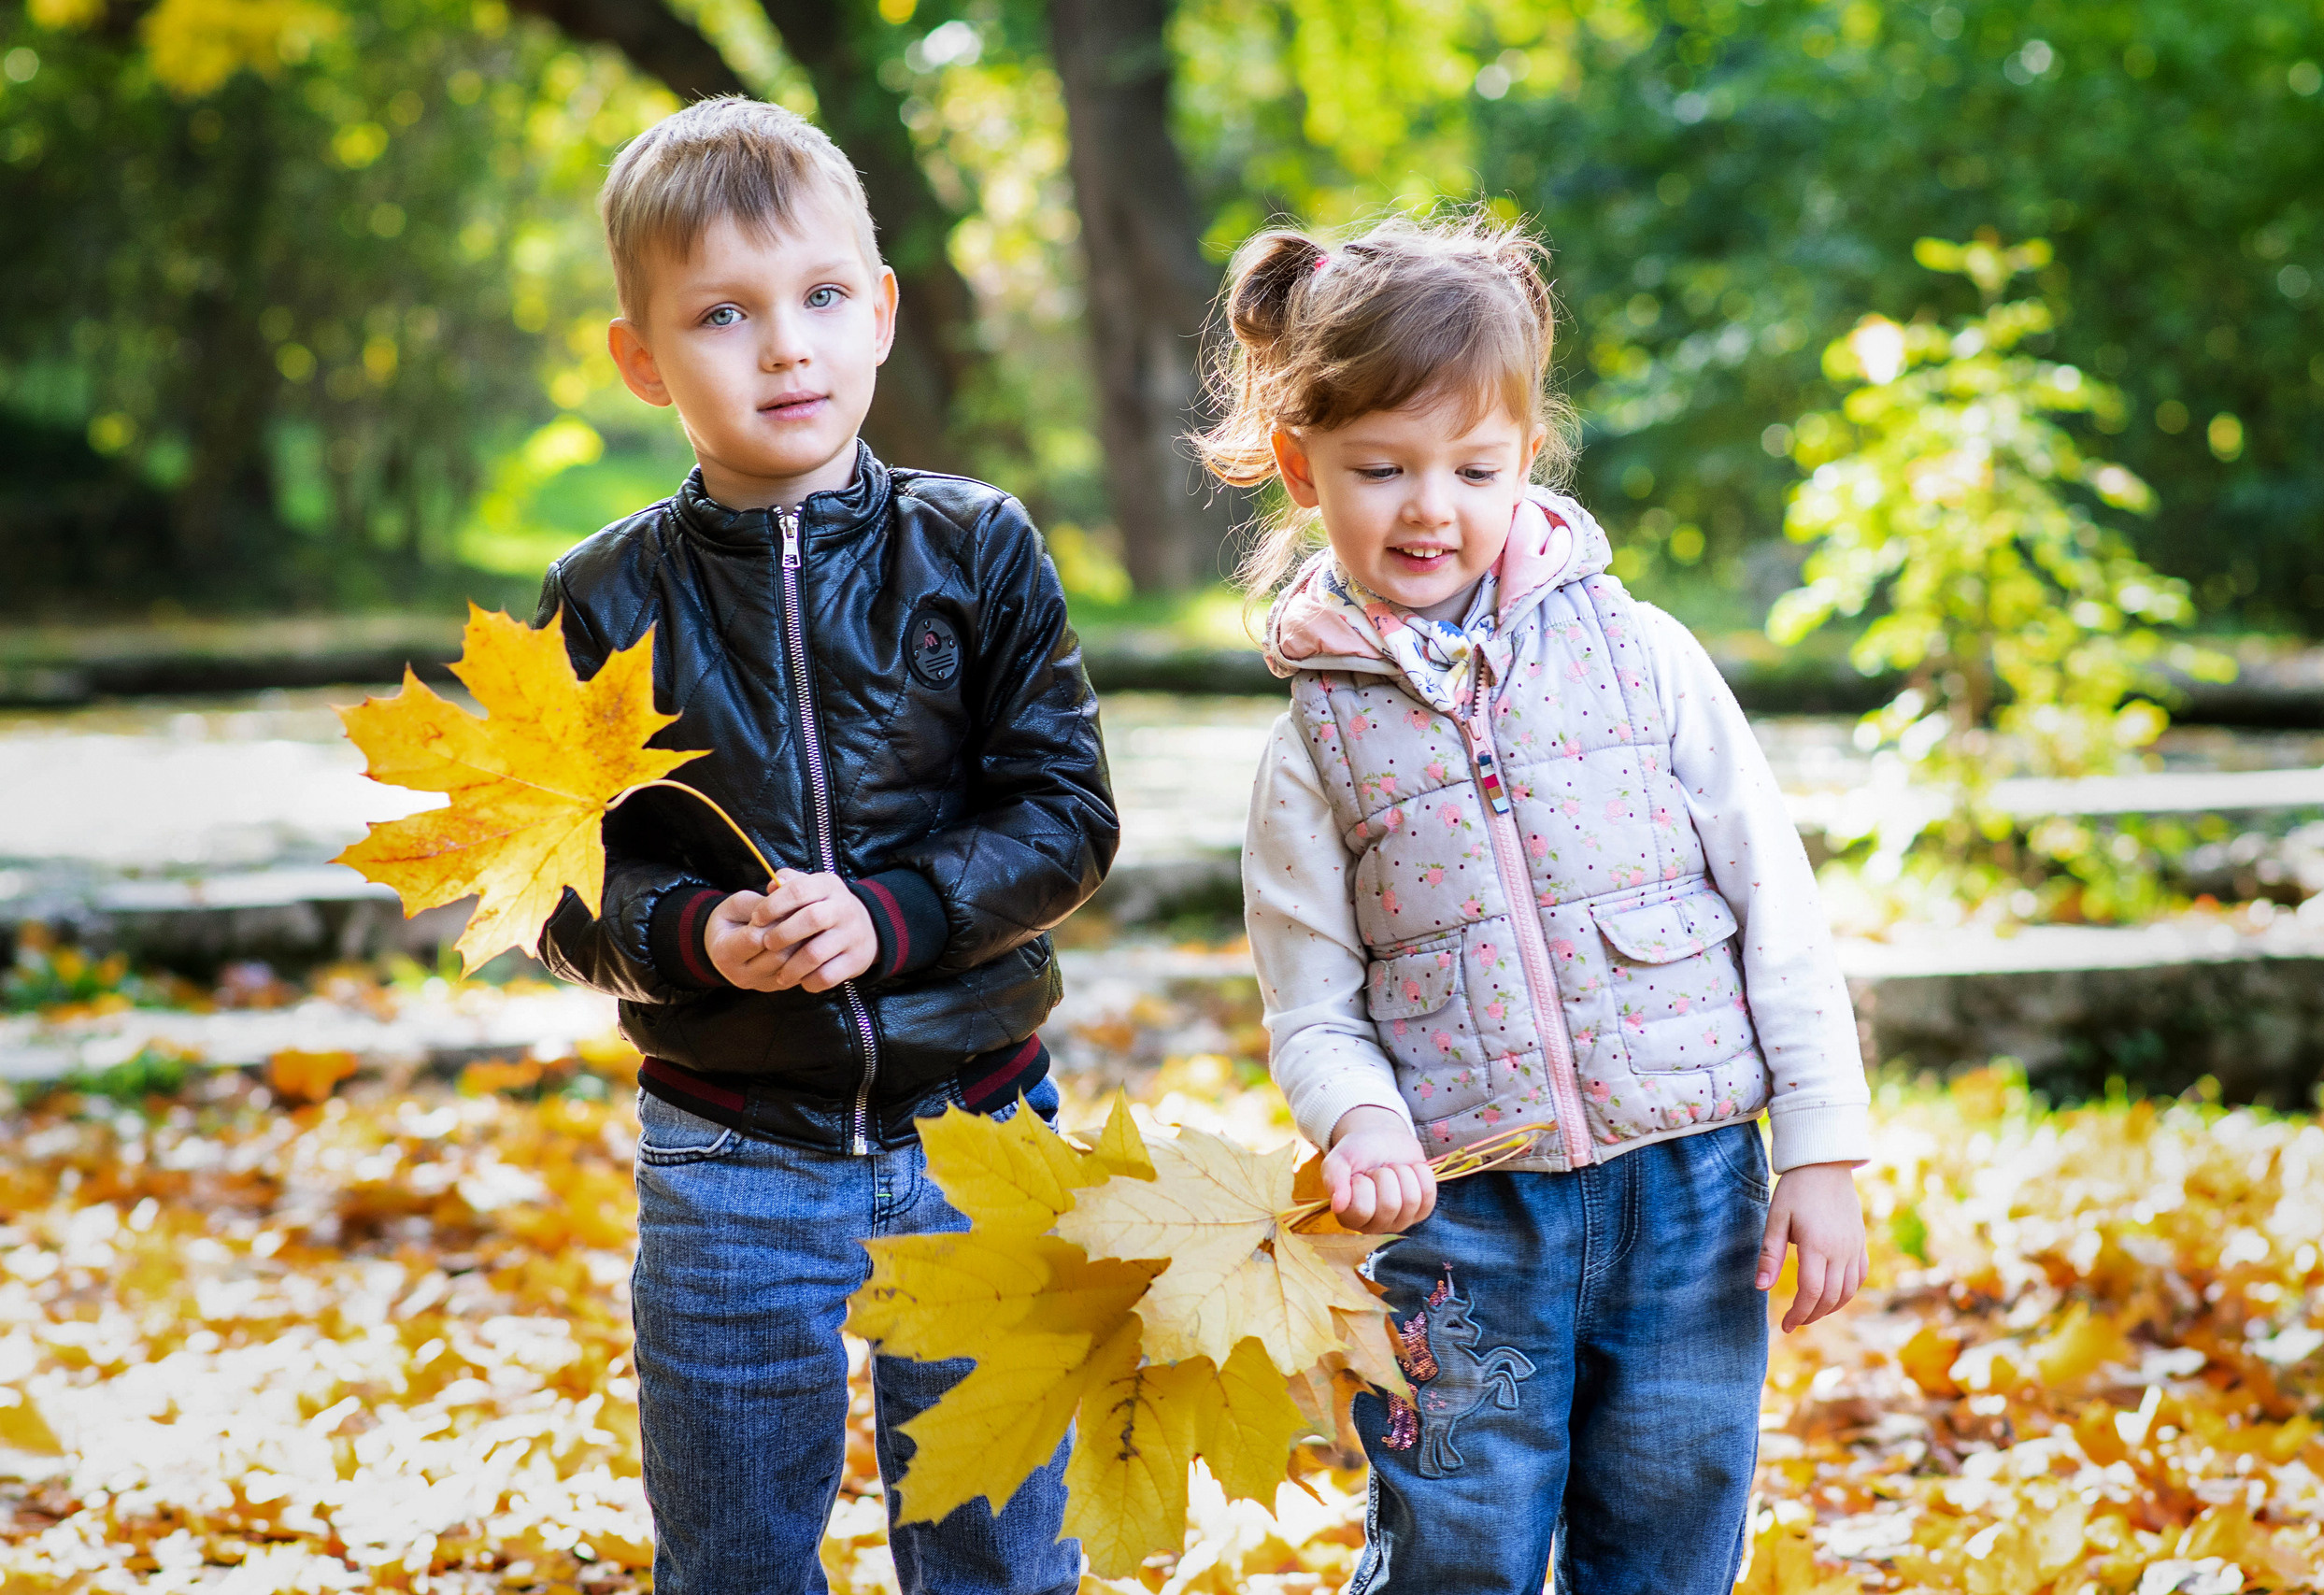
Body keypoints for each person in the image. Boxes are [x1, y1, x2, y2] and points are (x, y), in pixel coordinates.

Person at [1202, 214, 1871, 1595]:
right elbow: (1310, 1006)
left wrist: (1819, 1149)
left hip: (1689, 1190)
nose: (1429, 507)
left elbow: (1775, 902)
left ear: (1528, 460)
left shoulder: (1644, 658)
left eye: (1475, 467)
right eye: (1380, 470)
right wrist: (1363, 1121)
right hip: (1463, 1215)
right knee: (1457, 1535)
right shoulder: (1312, 749)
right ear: (1299, 468)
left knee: (1675, 1523)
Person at [533, 97, 1113, 1595]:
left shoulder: (976, 545)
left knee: (998, 1547)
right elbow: (547, 867)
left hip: (981, 1129)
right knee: (732, 1557)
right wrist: (688, 937)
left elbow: (1065, 810)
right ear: (643, 359)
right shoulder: (604, 597)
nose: (785, 345)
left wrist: (901, 915)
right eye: (723, 314)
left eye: (821, 299)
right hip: (731, 1150)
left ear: (881, 315)